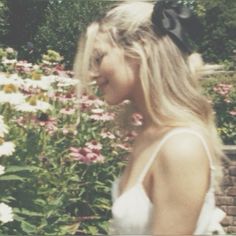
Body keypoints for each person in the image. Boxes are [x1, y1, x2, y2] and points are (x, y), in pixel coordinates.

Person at [74, 0, 226, 234]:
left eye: (98, 58)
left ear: (140, 48)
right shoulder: (149, 134)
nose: (93, 73)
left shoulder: (181, 147)